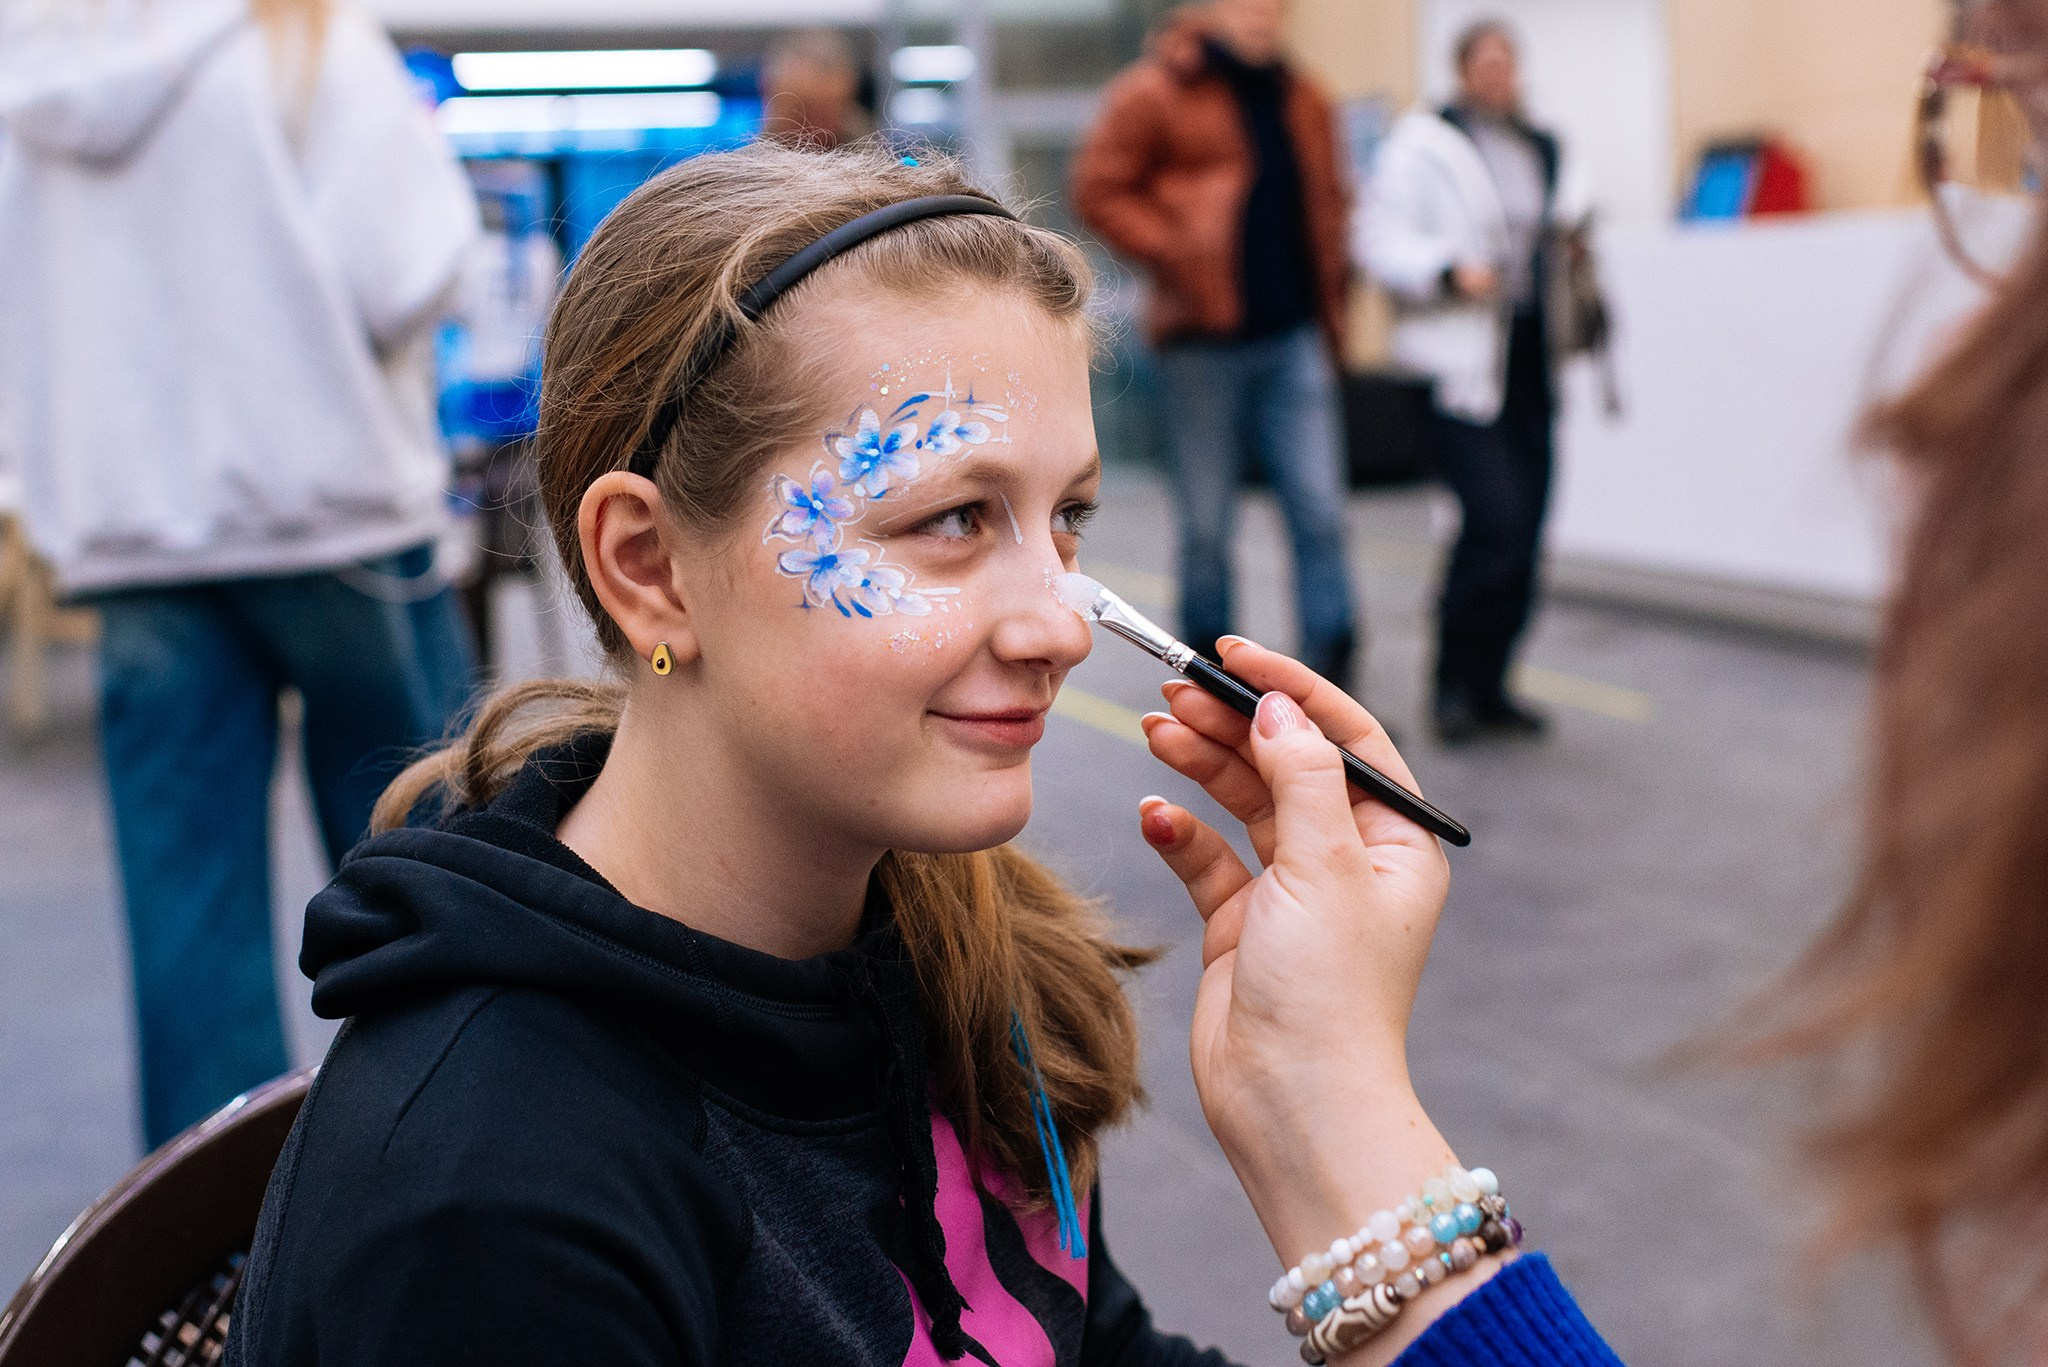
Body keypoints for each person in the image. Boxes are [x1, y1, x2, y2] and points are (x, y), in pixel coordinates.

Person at [224, 141, 1617, 1366]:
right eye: (951, 517)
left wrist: (1325, 1092)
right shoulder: (493, 1199)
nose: (1057, 622)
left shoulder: (949, 953)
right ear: (650, 567)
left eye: (1066, 516)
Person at [0, 0, 480, 1148]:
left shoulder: (28, 70)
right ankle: (457, 1160)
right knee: (435, 875)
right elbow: (413, 268)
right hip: (334, 519)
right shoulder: (297, 36)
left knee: (187, 929)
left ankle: (218, 1242)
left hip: (132, 540)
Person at [1073, 0, 1360, 692]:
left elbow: (1328, 204)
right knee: (1206, 522)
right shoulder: (1155, 90)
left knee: (1320, 509)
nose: (1262, 14)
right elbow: (1096, 188)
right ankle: (1212, 680)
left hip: (1294, 334)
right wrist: (1175, 250)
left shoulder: (1305, 94)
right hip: (1200, 343)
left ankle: (1332, 678)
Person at [1358, 20, 1584, 743]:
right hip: (1458, 366)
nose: (1498, 72)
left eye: (1507, 60)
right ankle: (1452, 686)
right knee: (1492, 521)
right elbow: (1378, 239)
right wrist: (1449, 268)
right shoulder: (1422, 147)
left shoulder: (1538, 144)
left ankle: (1494, 686)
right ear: (1461, 68)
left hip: (1527, 361)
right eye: (1485, 60)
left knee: (1526, 534)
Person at [759, 27, 872, 151]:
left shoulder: (876, 160)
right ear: (768, 96)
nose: (812, 131)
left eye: (825, 115)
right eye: (800, 115)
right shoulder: (745, 167)